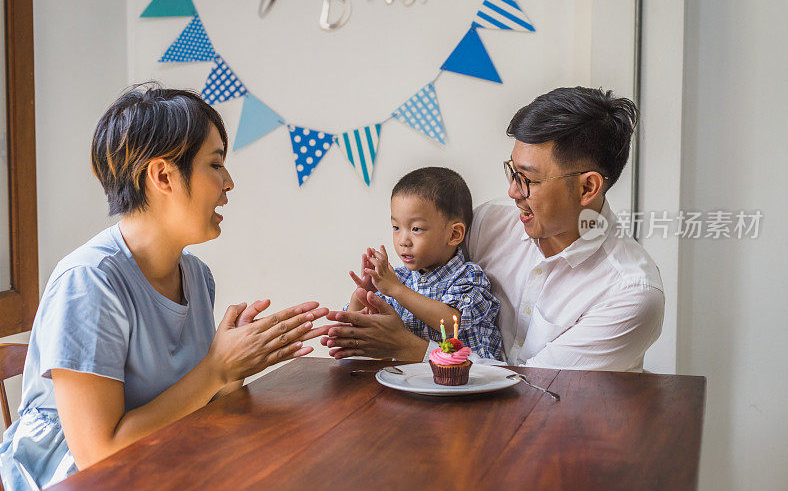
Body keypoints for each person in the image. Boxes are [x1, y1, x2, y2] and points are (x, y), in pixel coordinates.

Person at [0, 85, 329, 490]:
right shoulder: (87, 283)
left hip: (161, 462)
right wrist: (215, 368)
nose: (229, 183)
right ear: (163, 176)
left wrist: (233, 370)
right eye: (215, 164)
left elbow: (186, 403)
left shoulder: (196, 275)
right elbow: (98, 456)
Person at [324, 86, 664, 372]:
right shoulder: (490, 223)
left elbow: (537, 388)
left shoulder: (630, 293)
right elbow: (432, 284)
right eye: (511, 172)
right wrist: (371, 310)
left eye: (528, 179)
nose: (513, 192)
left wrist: (410, 348)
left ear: (588, 188)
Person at [341, 167, 501, 360]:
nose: (403, 240)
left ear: (454, 234)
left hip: (467, 382)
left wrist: (396, 289)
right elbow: (355, 333)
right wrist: (362, 294)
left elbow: (451, 322)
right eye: (396, 227)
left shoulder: (468, 276)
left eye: (416, 228)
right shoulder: (397, 278)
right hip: (405, 381)